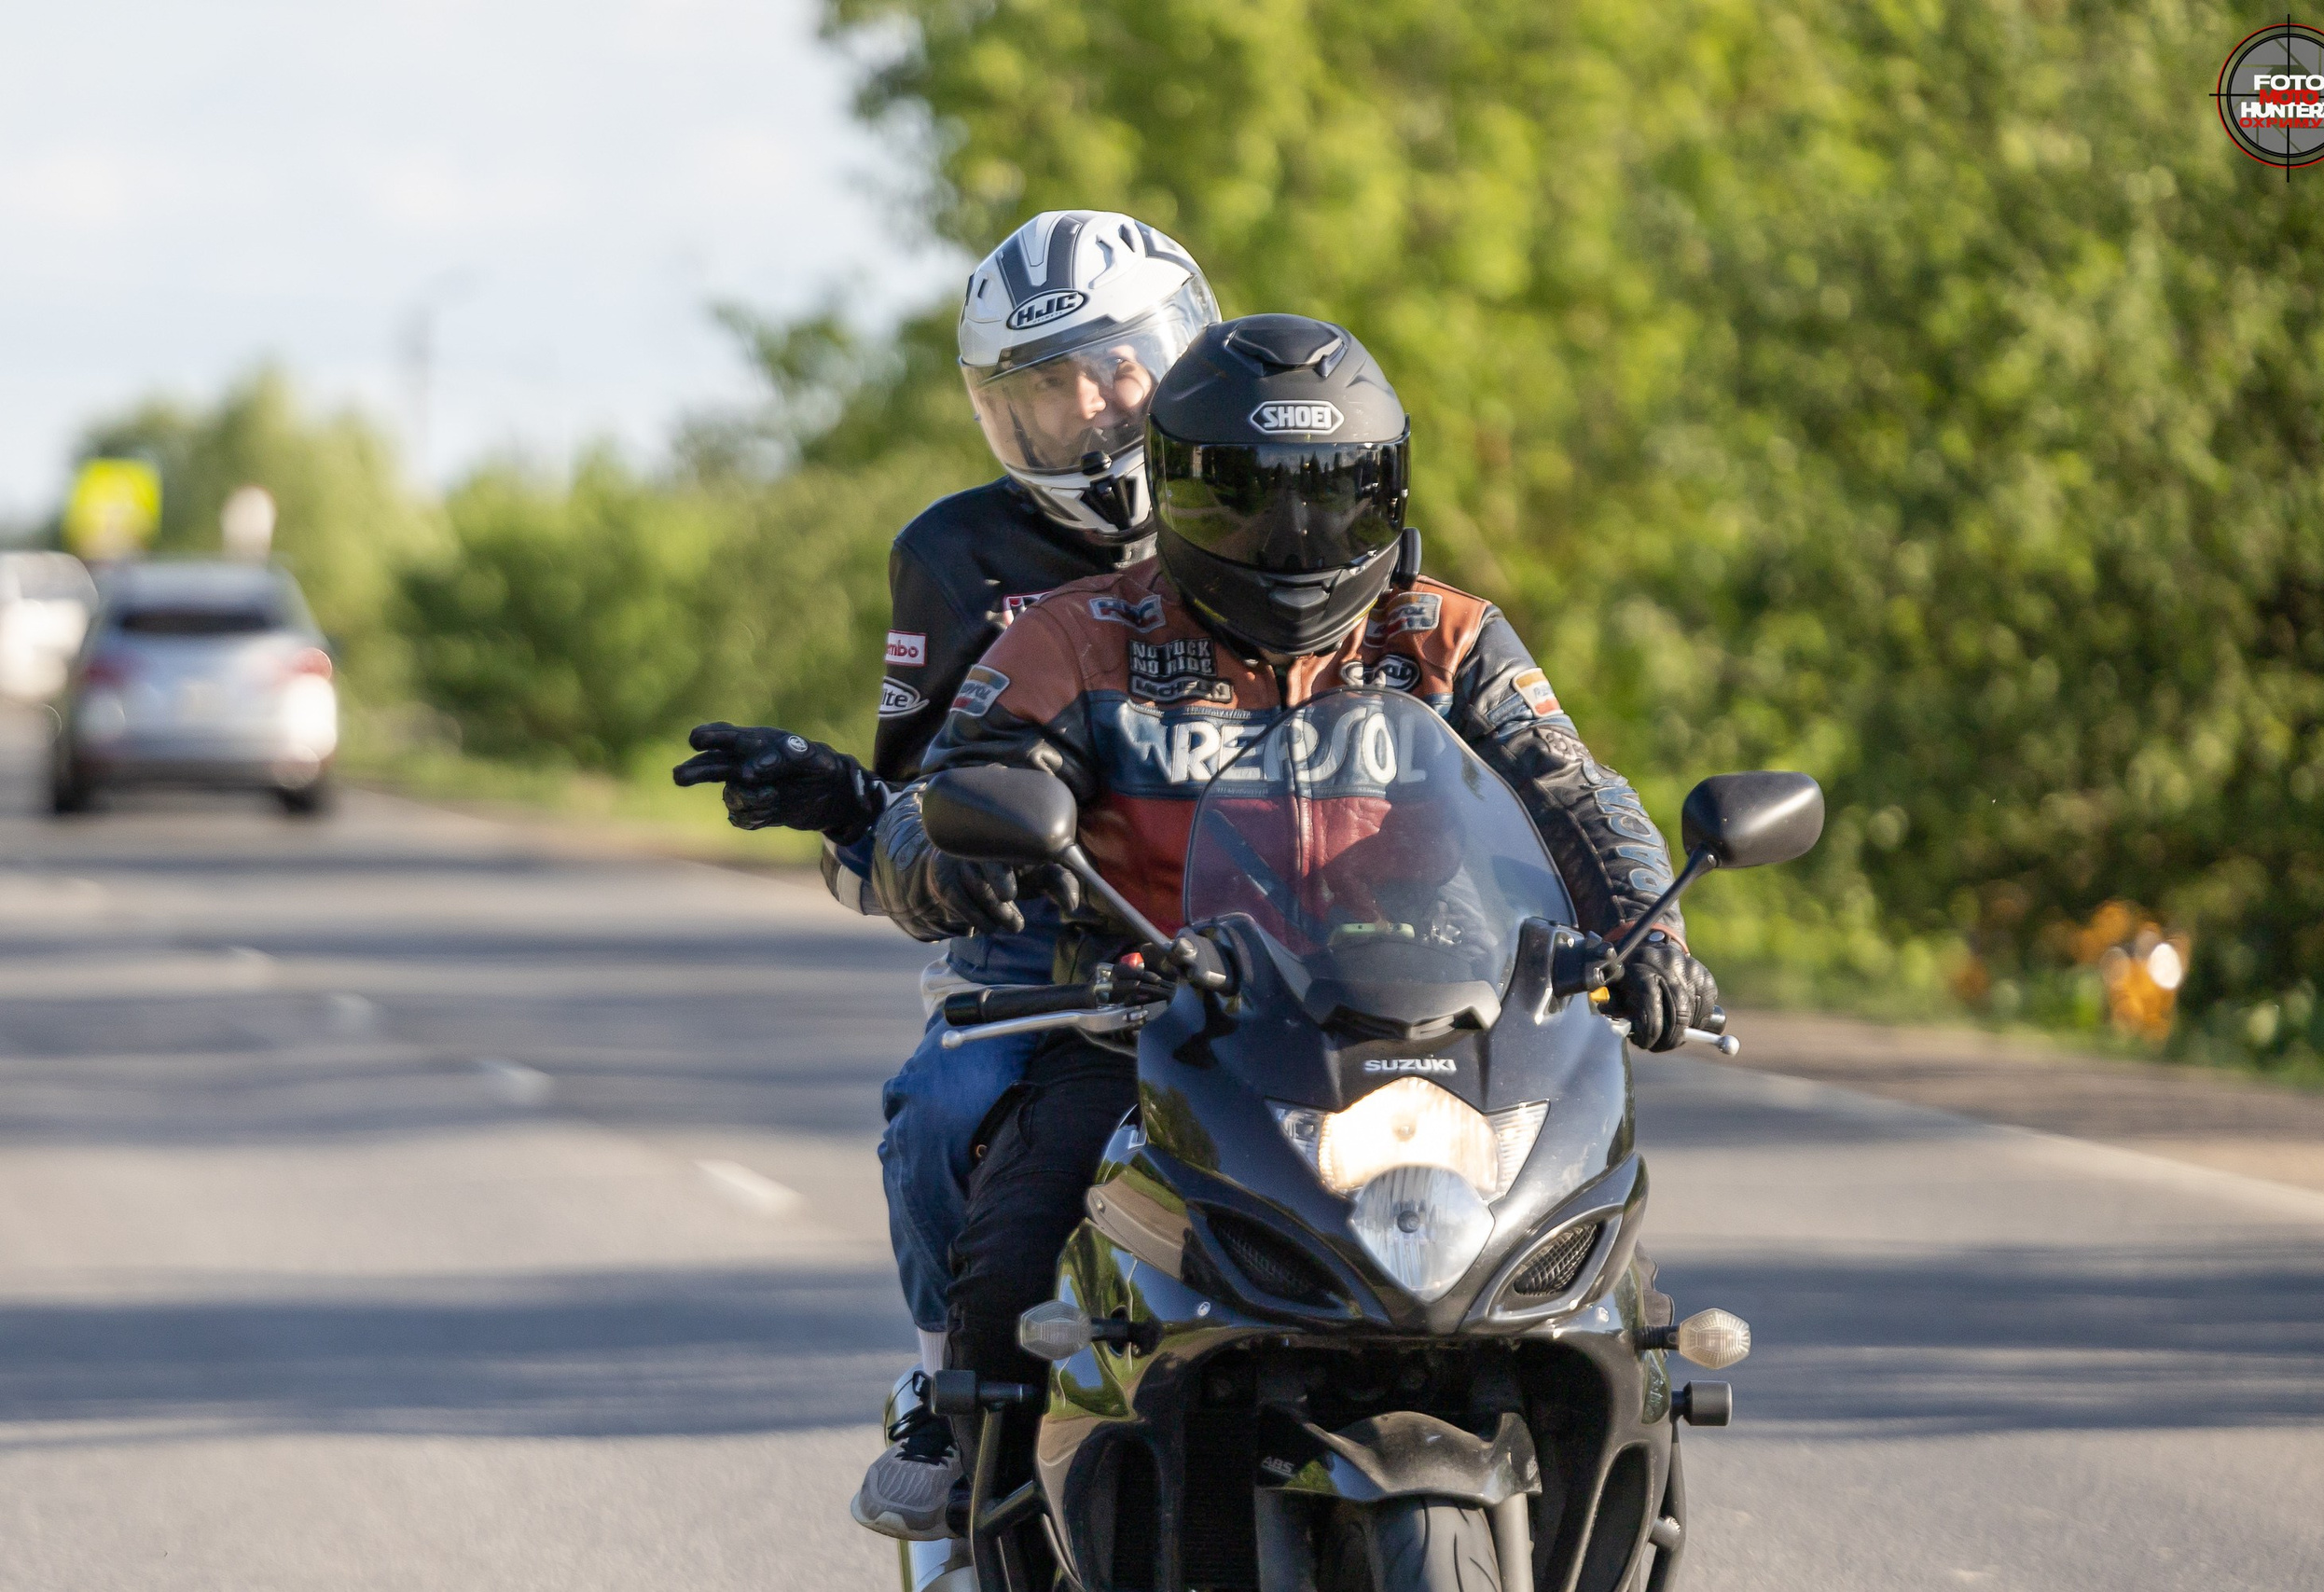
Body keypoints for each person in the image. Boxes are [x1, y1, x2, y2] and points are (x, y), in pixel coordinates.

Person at [870, 311, 1718, 1492]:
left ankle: (1608, 1478)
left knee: (1604, 1277)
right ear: (1167, 491)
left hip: (1437, 1023)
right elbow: (941, 795)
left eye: (1333, 495)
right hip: (1151, 1021)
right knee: (1012, 1259)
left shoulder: (1449, 632)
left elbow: (1578, 795)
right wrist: (952, 853)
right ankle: (985, 1511)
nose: (1294, 535)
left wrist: (1652, 935)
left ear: (1394, 486)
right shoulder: (1079, 634)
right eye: (1244, 501)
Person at [669, 212, 1221, 1540]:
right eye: (1039, 392)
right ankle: (942, 1379)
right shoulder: (955, 553)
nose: (1085, 415)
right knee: (942, 1098)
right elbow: (910, 820)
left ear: (1184, 351)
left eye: (1111, 371)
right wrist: (851, 806)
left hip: (1293, 936)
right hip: (1052, 961)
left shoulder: (1269, 504)